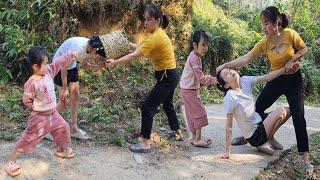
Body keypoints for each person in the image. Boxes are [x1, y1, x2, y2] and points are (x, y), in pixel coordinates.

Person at [216, 6, 313, 173]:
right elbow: (247, 58)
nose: (264, 27)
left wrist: (293, 59)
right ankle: (253, 136)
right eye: (263, 23)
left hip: (294, 80)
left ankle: (305, 158)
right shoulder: (265, 42)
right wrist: (225, 65)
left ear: (276, 23)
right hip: (276, 78)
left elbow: (304, 49)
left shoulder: (290, 34)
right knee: (258, 107)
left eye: (266, 23)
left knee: (298, 115)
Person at [106, 4, 183, 153]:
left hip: (167, 77)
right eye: (145, 19)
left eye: (149, 19)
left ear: (158, 21)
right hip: (170, 75)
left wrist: (115, 62)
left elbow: (136, 55)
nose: (145, 22)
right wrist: (124, 44)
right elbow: (137, 47)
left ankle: (145, 143)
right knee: (167, 104)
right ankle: (178, 133)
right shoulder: (155, 34)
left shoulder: (156, 37)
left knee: (148, 106)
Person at [5, 47, 76, 177]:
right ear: (36, 66)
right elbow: (27, 100)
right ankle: (11, 161)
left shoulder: (48, 72)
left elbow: (59, 62)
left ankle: (61, 149)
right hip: (39, 118)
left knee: (63, 127)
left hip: (53, 114)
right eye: (45, 63)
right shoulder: (31, 83)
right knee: (27, 138)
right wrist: (35, 108)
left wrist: (70, 54)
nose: (48, 65)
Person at [215, 67, 290, 158]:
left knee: (289, 110)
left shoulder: (245, 80)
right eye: (226, 74)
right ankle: (260, 143)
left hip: (259, 120)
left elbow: (267, 77)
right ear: (226, 85)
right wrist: (227, 152)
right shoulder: (230, 97)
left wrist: (284, 69)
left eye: (229, 70)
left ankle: (269, 138)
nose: (230, 72)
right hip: (254, 134)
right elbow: (229, 126)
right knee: (281, 111)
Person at [50, 36, 107, 140]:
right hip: (59, 66)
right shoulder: (77, 48)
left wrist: (98, 67)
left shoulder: (90, 49)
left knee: (76, 96)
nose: (97, 58)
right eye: (98, 57)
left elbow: (85, 65)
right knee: (64, 101)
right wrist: (65, 88)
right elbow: (63, 66)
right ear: (94, 51)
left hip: (71, 66)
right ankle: (45, 128)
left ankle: (74, 129)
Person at [180, 29, 217, 147]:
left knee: (191, 113)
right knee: (199, 112)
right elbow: (201, 79)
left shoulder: (195, 56)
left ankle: (194, 137)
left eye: (207, 45)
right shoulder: (195, 58)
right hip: (189, 91)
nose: (205, 48)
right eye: (203, 45)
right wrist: (216, 79)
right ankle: (197, 139)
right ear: (195, 45)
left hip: (186, 89)